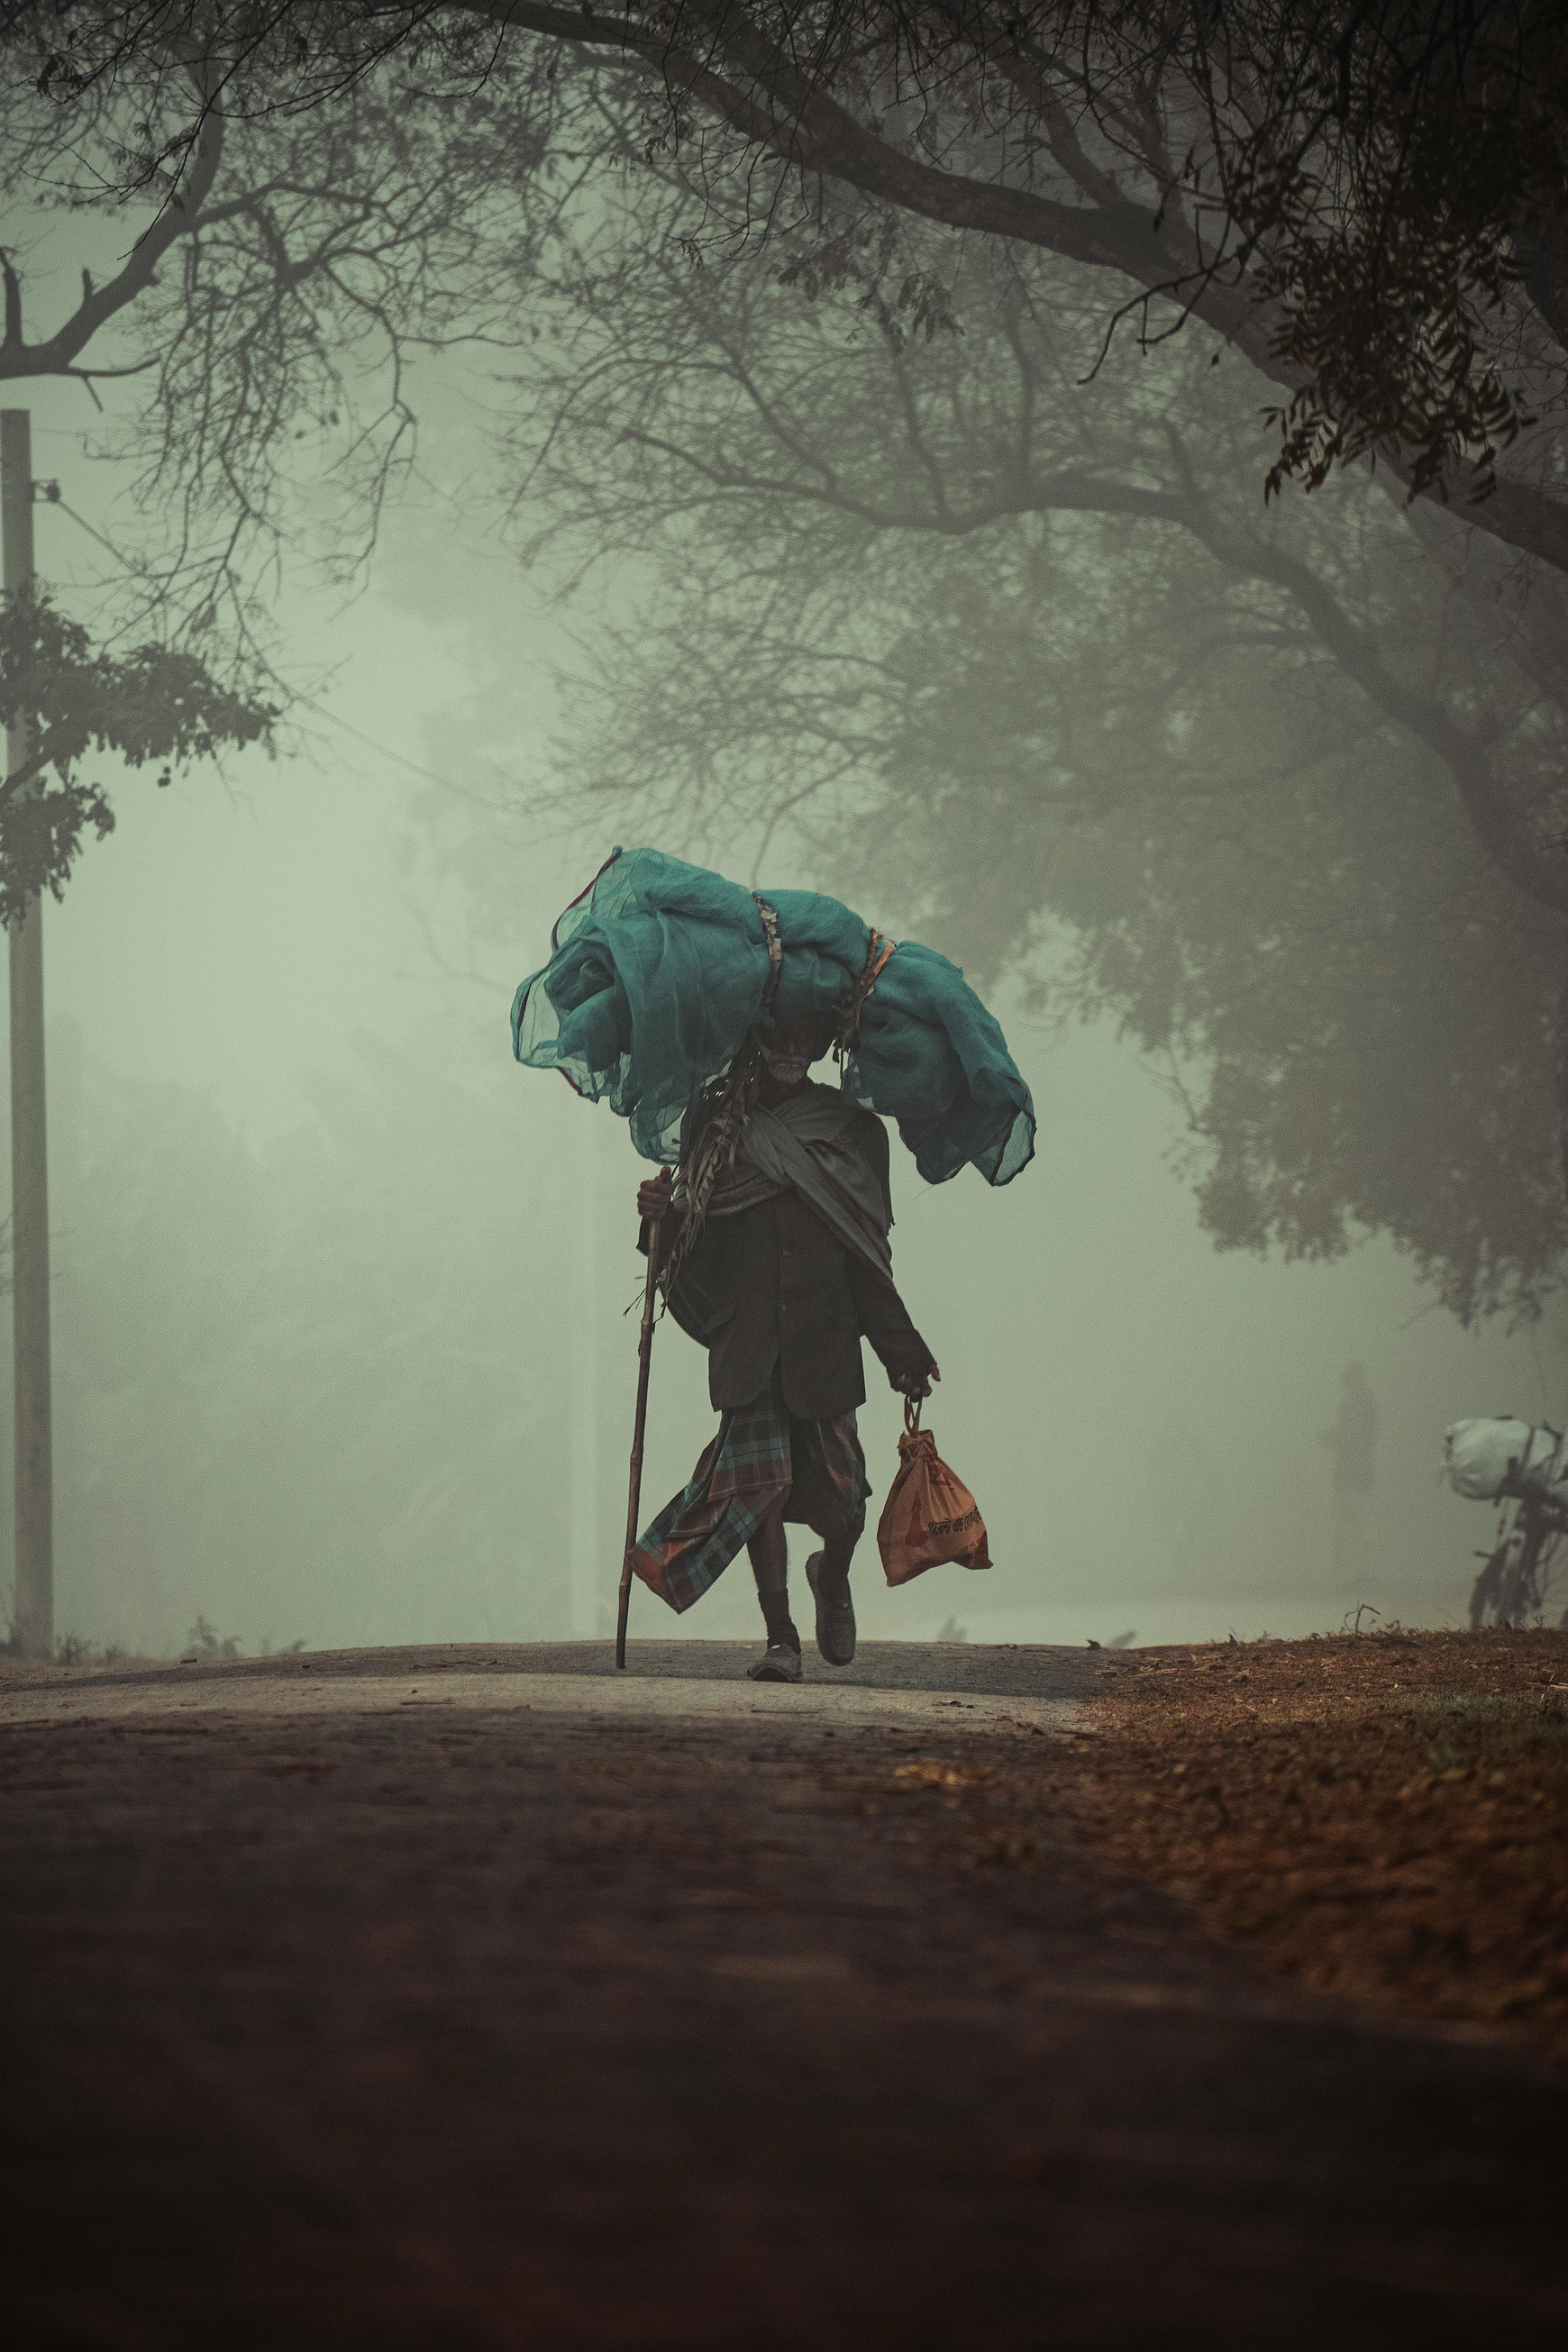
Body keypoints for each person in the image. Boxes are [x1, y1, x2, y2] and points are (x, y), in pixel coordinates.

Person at [630, 1010, 938, 1681]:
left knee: (847, 1500)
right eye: (779, 1035)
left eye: (806, 1037)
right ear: (754, 1041)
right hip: (748, 1345)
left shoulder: (850, 1132)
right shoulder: (716, 1132)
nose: (793, 1049)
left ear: (824, 1043)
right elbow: (692, 1254)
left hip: (824, 1346)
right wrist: (662, 1218)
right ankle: (781, 1639)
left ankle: (831, 1574)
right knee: (756, 1493)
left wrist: (904, 1353)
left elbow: (865, 1258)